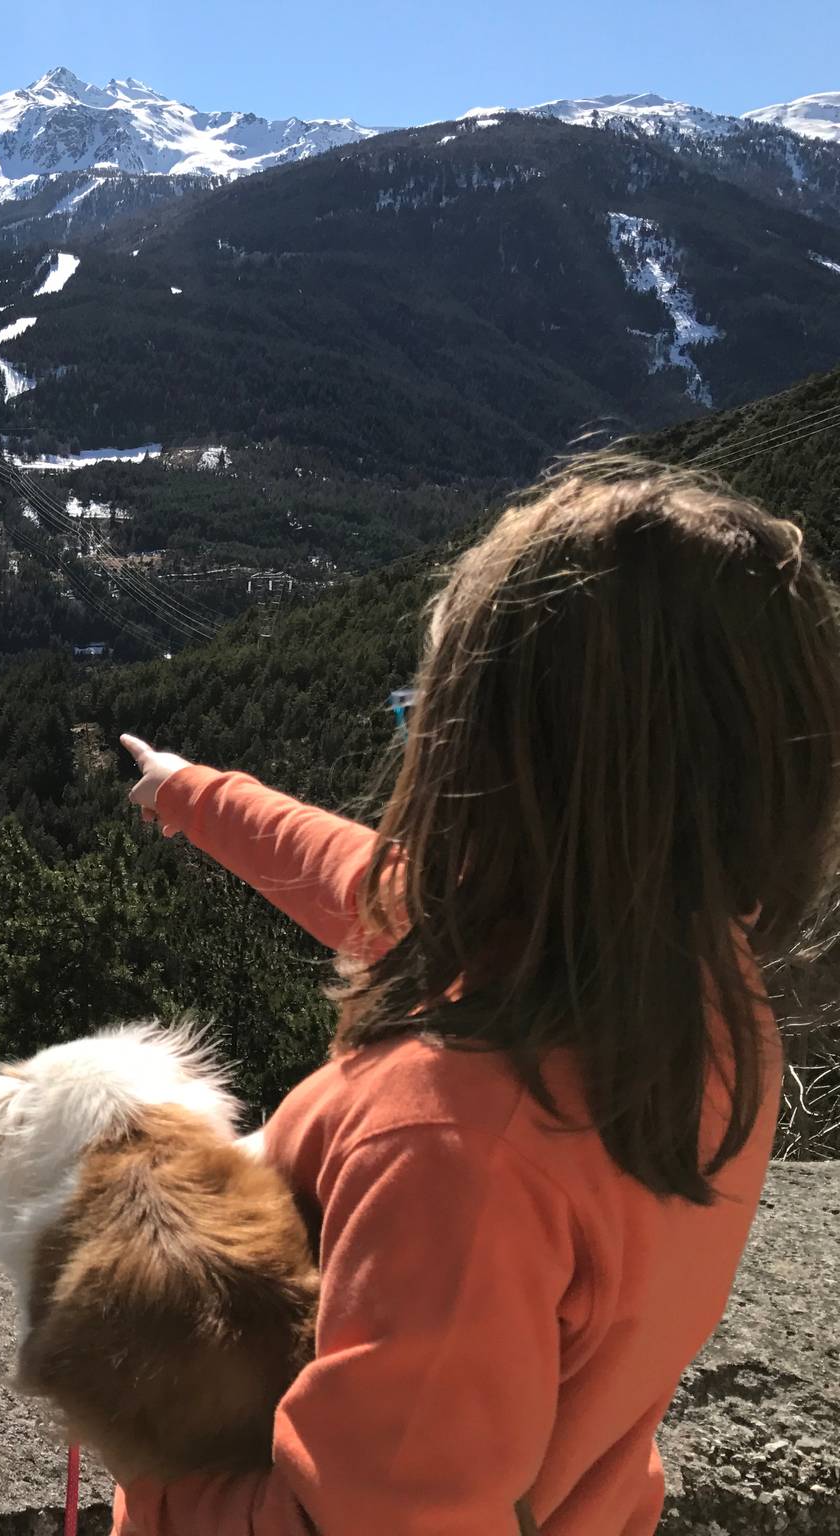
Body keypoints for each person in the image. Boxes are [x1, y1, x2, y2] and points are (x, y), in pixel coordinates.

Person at [113, 464, 840, 1534]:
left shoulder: (459, 1147)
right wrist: (192, 793)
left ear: (494, 767)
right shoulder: (684, 996)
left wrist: (144, 1452)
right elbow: (362, 879)